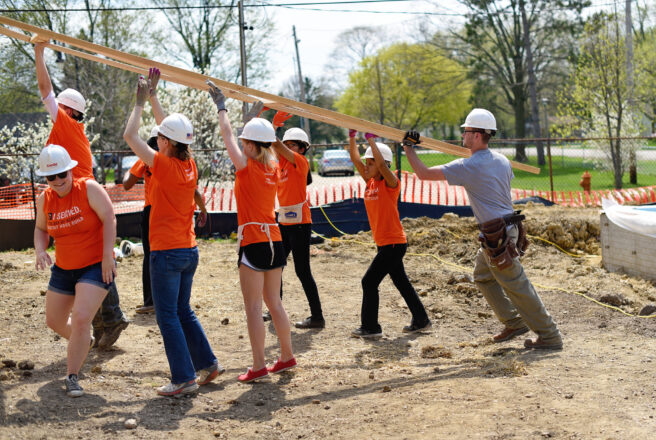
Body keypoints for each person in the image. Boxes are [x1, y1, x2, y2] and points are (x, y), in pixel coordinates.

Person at [402, 108, 562, 350]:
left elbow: (423, 174)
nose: (462, 136)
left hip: (497, 234)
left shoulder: (468, 166)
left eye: (465, 131)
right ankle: (514, 322)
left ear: (477, 135)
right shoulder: (502, 160)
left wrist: (408, 148)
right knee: (483, 276)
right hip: (506, 229)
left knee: (518, 285)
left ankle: (550, 335)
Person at [123, 76, 222, 396]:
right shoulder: (189, 163)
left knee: (167, 316)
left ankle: (183, 378)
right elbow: (169, 128)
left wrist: (139, 101)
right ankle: (207, 363)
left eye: (161, 136)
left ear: (165, 142)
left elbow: (129, 134)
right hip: (188, 250)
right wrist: (153, 96)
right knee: (183, 311)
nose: (158, 138)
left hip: (166, 253)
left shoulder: (161, 165)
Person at [34, 39, 129, 349]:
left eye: (59, 107)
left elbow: (45, 90)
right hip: (86, 196)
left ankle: (111, 318)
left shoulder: (66, 124)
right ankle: (109, 320)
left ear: (67, 110)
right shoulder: (75, 131)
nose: (54, 110)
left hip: (82, 197)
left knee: (93, 260)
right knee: (94, 258)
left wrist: (39, 52)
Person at [208, 80, 296, 383]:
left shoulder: (246, 166)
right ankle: (286, 355)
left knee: (254, 307)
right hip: (275, 238)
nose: (242, 144)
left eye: (247, 141)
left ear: (251, 146)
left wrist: (221, 106)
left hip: (255, 240)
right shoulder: (271, 167)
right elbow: (254, 137)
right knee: (275, 302)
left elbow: (227, 133)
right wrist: (258, 114)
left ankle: (259, 365)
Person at [34, 145, 117, 397]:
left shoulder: (89, 188)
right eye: (52, 177)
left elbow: (110, 218)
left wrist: (107, 257)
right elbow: (40, 229)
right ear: (45, 178)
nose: (58, 181)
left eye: (62, 174)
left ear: (71, 171)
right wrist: (39, 250)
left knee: (81, 317)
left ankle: (72, 376)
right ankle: (84, 340)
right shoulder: (44, 199)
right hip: (63, 268)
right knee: (54, 321)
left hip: (95, 265)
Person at [347, 131, 431, 338]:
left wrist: (371, 140)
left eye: (371, 163)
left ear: (381, 163)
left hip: (393, 243)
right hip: (385, 244)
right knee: (401, 282)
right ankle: (421, 320)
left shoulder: (391, 184)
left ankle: (371, 327)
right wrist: (352, 137)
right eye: (367, 163)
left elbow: (383, 167)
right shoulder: (370, 182)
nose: (366, 167)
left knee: (368, 282)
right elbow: (354, 159)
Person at [123, 126, 209, 315]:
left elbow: (127, 184)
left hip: (153, 210)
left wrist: (130, 170)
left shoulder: (151, 160)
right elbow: (193, 190)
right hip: (179, 212)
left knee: (152, 256)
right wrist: (203, 209)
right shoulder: (184, 162)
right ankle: (174, 301)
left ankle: (152, 301)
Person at [270, 116, 325, 329]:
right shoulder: (281, 165)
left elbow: (273, 143)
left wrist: (273, 127)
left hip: (301, 224)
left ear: (302, 149)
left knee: (303, 271)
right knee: (276, 267)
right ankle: (276, 309)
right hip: (284, 221)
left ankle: (317, 316)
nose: (286, 147)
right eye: (286, 144)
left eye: (291, 144)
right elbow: (268, 146)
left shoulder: (299, 162)